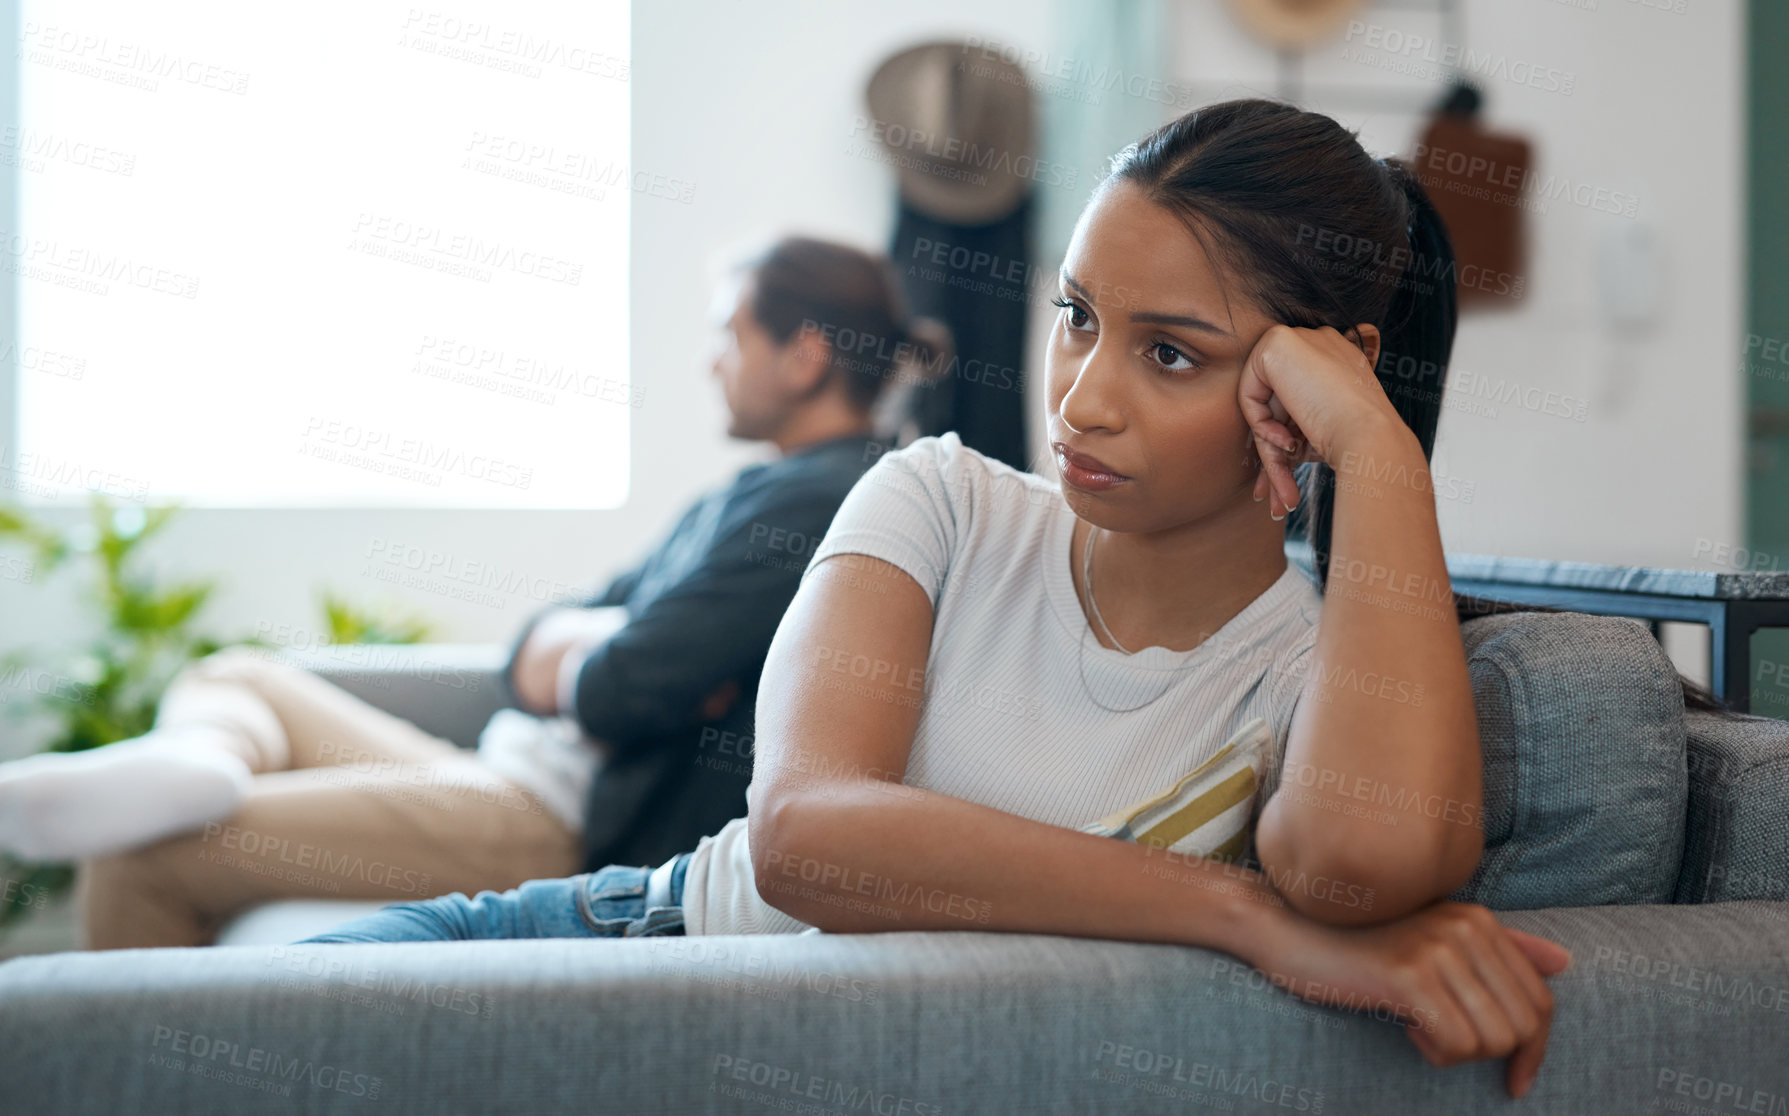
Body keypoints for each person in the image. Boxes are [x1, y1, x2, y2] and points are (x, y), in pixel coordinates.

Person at [299, 100, 1572, 1098]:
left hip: (813, 1064)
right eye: (1077, 317)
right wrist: (1243, 916)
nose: (1080, 399)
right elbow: (805, 834)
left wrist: (1381, 449)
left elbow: (1364, 866)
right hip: (633, 945)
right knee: (165, 1047)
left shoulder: (1307, 677)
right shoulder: (941, 499)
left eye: (1169, 352)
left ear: (1313, 378)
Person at [0, 235, 950, 950]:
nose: (710, 360)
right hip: (507, 770)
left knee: (139, 856)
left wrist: (598, 648)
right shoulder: (753, 487)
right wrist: (592, 644)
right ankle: (195, 760)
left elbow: (623, 682)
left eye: (728, 333)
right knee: (242, 674)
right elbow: (537, 650)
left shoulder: (836, 500)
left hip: (547, 824)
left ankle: (179, 813)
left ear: (805, 355)